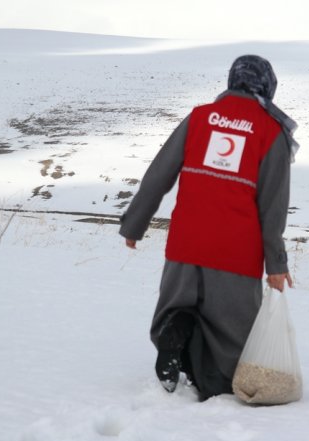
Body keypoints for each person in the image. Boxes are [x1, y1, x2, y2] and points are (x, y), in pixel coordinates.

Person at [119, 55, 298, 401]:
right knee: (233, 350)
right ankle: (208, 379)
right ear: (267, 86)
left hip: (185, 241)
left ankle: (178, 330)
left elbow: (160, 173)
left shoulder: (200, 117)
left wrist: (135, 223)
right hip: (236, 251)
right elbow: (273, 207)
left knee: (179, 305)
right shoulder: (271, 132)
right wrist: (276, 264)